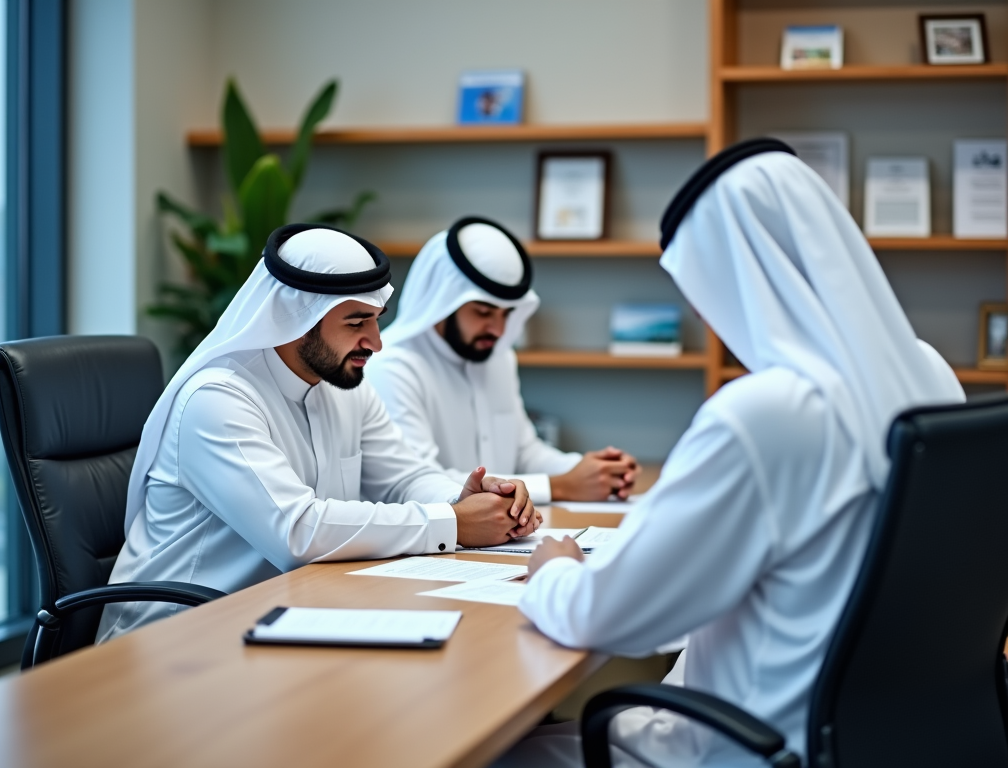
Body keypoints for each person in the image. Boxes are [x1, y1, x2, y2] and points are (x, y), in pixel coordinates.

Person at [494, 139, 965, 767]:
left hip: (747, 745)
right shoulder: (930, 374)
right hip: (886, 737)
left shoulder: (767, 412)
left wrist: (553, 567)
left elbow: (607, 617)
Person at [97, 224, 538, 643]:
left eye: (376, 320)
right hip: (177, 639)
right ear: (297, 317)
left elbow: (403, 478)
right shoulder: (217, 399)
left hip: (286, 617)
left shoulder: (343, 388)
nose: (375, 342)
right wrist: (455, 522)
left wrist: (465, 499)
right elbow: (297, 531)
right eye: (356, 322)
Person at [367, 216, 640, 505]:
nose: (498, 330)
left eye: (506, 314)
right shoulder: (392, 367)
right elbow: (419, 482)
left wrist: (596, 472)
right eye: (483, 313)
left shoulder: (498, 357)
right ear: (441, 303)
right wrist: (560, 486)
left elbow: (525, 452)